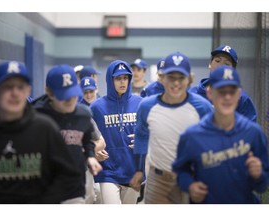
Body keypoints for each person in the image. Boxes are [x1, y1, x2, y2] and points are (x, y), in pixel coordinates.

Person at [0, 61, 81, 204]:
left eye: (20, 87)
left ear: (28, 91)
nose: (15, 93)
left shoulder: (45, 128)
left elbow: (70, 176)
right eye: (7, 87)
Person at [173, 65, 269, 204]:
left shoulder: (253, 133)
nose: (227, 97)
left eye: (232, 91)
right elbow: (180, 171)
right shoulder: (192, 135)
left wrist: (258, 175)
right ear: (210, 93)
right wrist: (190, 185)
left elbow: (262, 185)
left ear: (239, 94)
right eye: (221, 91)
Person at [130, 52, 213, 204]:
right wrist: (139, 170)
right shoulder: (147, 106)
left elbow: (214, 139)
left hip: (192, 179)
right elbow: (141, 134)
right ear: (161, 78)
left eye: (181, 77)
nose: (176, 83)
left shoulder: (203, 107)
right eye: (171, 77)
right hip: (158, 179)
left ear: (189, 80)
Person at [33, 64, 102, 204]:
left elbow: (87, 138)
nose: (71, 99)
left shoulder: (83, 114)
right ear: (49, 93)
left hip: (74, 187)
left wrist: (90, 155)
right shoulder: (35, 116)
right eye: (64, 96)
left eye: (73, 93)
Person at [90, 60, 143, 204]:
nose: (122, 82)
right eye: (118, 78)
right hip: (108, 170)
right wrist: (93, 151)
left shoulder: (140, 103)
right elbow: (87, 135)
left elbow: (152, 132)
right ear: (110, 79)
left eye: (125, 78)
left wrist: (144, 139)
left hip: (132, 169)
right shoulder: (96, 107)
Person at [189, 45, 257, 122]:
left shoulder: (241, 98)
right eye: (217, 61)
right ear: (210, 64)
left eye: (227, 64)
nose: (220, 65)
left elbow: (249, 130)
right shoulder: (192, 94)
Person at [79, 76, 108, 204]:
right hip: (86, 156)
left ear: (96, 90)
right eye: (85, 92)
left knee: (100, 194)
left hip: (103, 152)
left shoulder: (103, 106)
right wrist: (92, 152)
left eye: (91, 91)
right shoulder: (79, 109)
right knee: (90, 194)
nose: (89, 95)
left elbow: (103, 137)